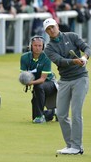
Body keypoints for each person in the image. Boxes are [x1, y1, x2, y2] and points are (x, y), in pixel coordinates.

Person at [43, 18, 91, 155]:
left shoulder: (72, 36)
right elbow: (60, 61)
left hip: (80, 78)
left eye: (52, 27)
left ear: (57, 26)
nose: (51, 30)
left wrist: (85, 58)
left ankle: (77, 146)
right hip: (64, 80)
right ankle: (70, 145)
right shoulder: (49, 48)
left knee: (76, 113)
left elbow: (86, 47)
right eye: (48, 29)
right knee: (62, 113)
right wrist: (75, 61)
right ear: (46, 32)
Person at [20, 35, 58, 123]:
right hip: (36, 84)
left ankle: (40, 116)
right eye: (35, 45)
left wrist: (31, 82)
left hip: (50, 83)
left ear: (43, 46)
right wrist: (25, 81)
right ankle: (52, 112)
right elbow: (23, 74)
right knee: (34, 118)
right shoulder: (24, 57)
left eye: (40, 46)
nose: (37, 48)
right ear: (31, 46)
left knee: (38, 87)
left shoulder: (47, 57)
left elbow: (42, 79)